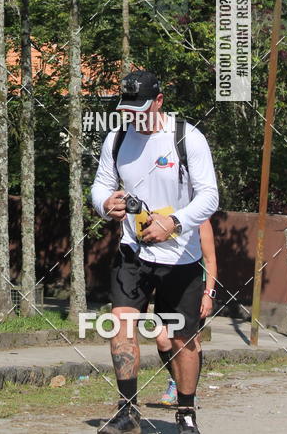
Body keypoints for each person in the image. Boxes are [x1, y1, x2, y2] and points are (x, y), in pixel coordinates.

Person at [91, 70, 219, 434]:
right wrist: (105, 203)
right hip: (133, 252)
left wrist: (174, 223)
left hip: (181, 258)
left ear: (159, 101)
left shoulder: (187, 137)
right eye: (127, 108)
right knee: (122, 323)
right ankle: (127, 408)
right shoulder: (117, 138)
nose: (133, 116)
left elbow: (209, 196)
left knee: (182, 340)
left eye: (141, 108)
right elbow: (100, 185)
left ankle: (186, 411)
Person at [156, 218, 218, 406]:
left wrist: (208, 294)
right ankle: (178, 381)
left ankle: (188, 392)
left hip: (193, 287)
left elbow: (210, 259)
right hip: (165, 285)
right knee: (161, 337)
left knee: (189, 340)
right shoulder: (162, 216)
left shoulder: (200, 220)